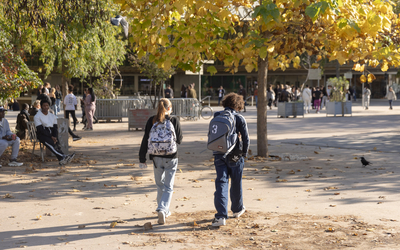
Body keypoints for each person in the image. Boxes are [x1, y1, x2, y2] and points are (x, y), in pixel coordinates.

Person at [139, 98, 183, 225]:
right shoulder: (174, 120)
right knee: (168, 186)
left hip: (156, 158)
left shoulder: (152, 120)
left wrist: (142, 158)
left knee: (160, 185)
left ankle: (162, 209)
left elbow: (145, 139)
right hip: (171, 157)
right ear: (169, 108)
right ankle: (163, 209)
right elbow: (179, 140)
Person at [211, 93, 250, 227]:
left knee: (221, 182)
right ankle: (237, 209)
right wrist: (243, 154)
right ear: (238, 105)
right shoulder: (239, 118)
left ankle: (221, 216)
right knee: (236, 182)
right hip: (235, 154)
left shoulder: (217, 115)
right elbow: (246, 139)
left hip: (219, 153)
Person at [34, 100, 75, 165]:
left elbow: (55, 127)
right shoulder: (37, 116)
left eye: (47, 105)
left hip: (52, 133)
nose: (45, 107)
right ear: (41, 106)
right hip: (42, 134)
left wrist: (54, 136)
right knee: (51, 144)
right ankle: (63, 156)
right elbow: (40, 129)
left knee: (57, 144)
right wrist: (51, 136)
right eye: (44, 106)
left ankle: (61, 159)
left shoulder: (52, 116)